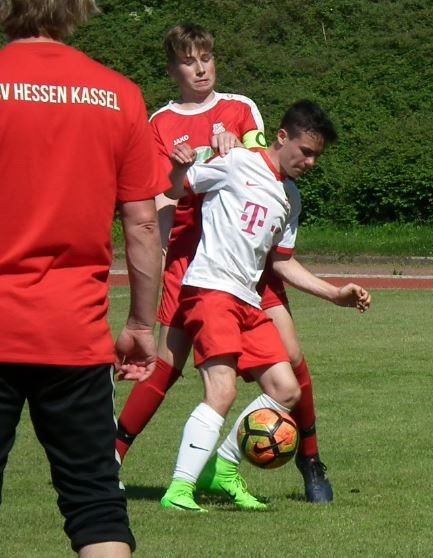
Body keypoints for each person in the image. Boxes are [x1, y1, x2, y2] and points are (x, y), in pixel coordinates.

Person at [115, 22, 337, 504]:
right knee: (167, 365)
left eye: (206, 58)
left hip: (249, 257)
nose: (200, 69)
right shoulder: (159, 123)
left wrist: (234, 150)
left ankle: (310, 459)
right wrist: (159, 248)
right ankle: (111, 460)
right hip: (194, 260)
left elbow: (264, 167)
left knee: (290, 360)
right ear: (172, 69)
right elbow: (163, 194)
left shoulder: (239, 108)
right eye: (188, 61)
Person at [0, 1, 162, 555]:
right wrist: (141, 323)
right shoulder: (119, 95)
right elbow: (143, 225)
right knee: (96, 504)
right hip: (74, 332)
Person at [159, 100, 371, 512]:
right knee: (222, 390)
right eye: (305, 151)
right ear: (281, 136)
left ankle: (222, 468)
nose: (310, 162)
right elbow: (176, 189)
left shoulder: (290, 196)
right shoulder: (236, 161)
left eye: (317, 156)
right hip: (210, 290)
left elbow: (282, 262)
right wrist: (179, 168)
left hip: (248, 299)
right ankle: (179, 490)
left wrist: (334, 294)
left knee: (286, 390)